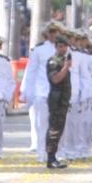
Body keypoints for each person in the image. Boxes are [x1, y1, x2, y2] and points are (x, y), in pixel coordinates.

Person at [20, 22, 59, 160]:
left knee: (55, 125)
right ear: (46, 34)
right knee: (41, 124)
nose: (54, 34)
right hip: (42, 92)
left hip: (58, 93)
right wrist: (25, 91)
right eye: (52, 31)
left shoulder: (65, 50)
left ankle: (53, 153)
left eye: (56, 31)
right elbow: (31, 71)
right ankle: (42, 153)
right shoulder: (39, 50)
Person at [45, 35, 74, 169]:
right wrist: (65, 68)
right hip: (56, 101)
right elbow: (55, 79)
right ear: (56, 47)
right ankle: (50, 158)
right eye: (61, 46)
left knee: (59, 129)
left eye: (65, 46)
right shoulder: (53, 62)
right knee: (54, 130)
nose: (64, 49)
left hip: (63, 101)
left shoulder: (63, 61)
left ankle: (54, 157)